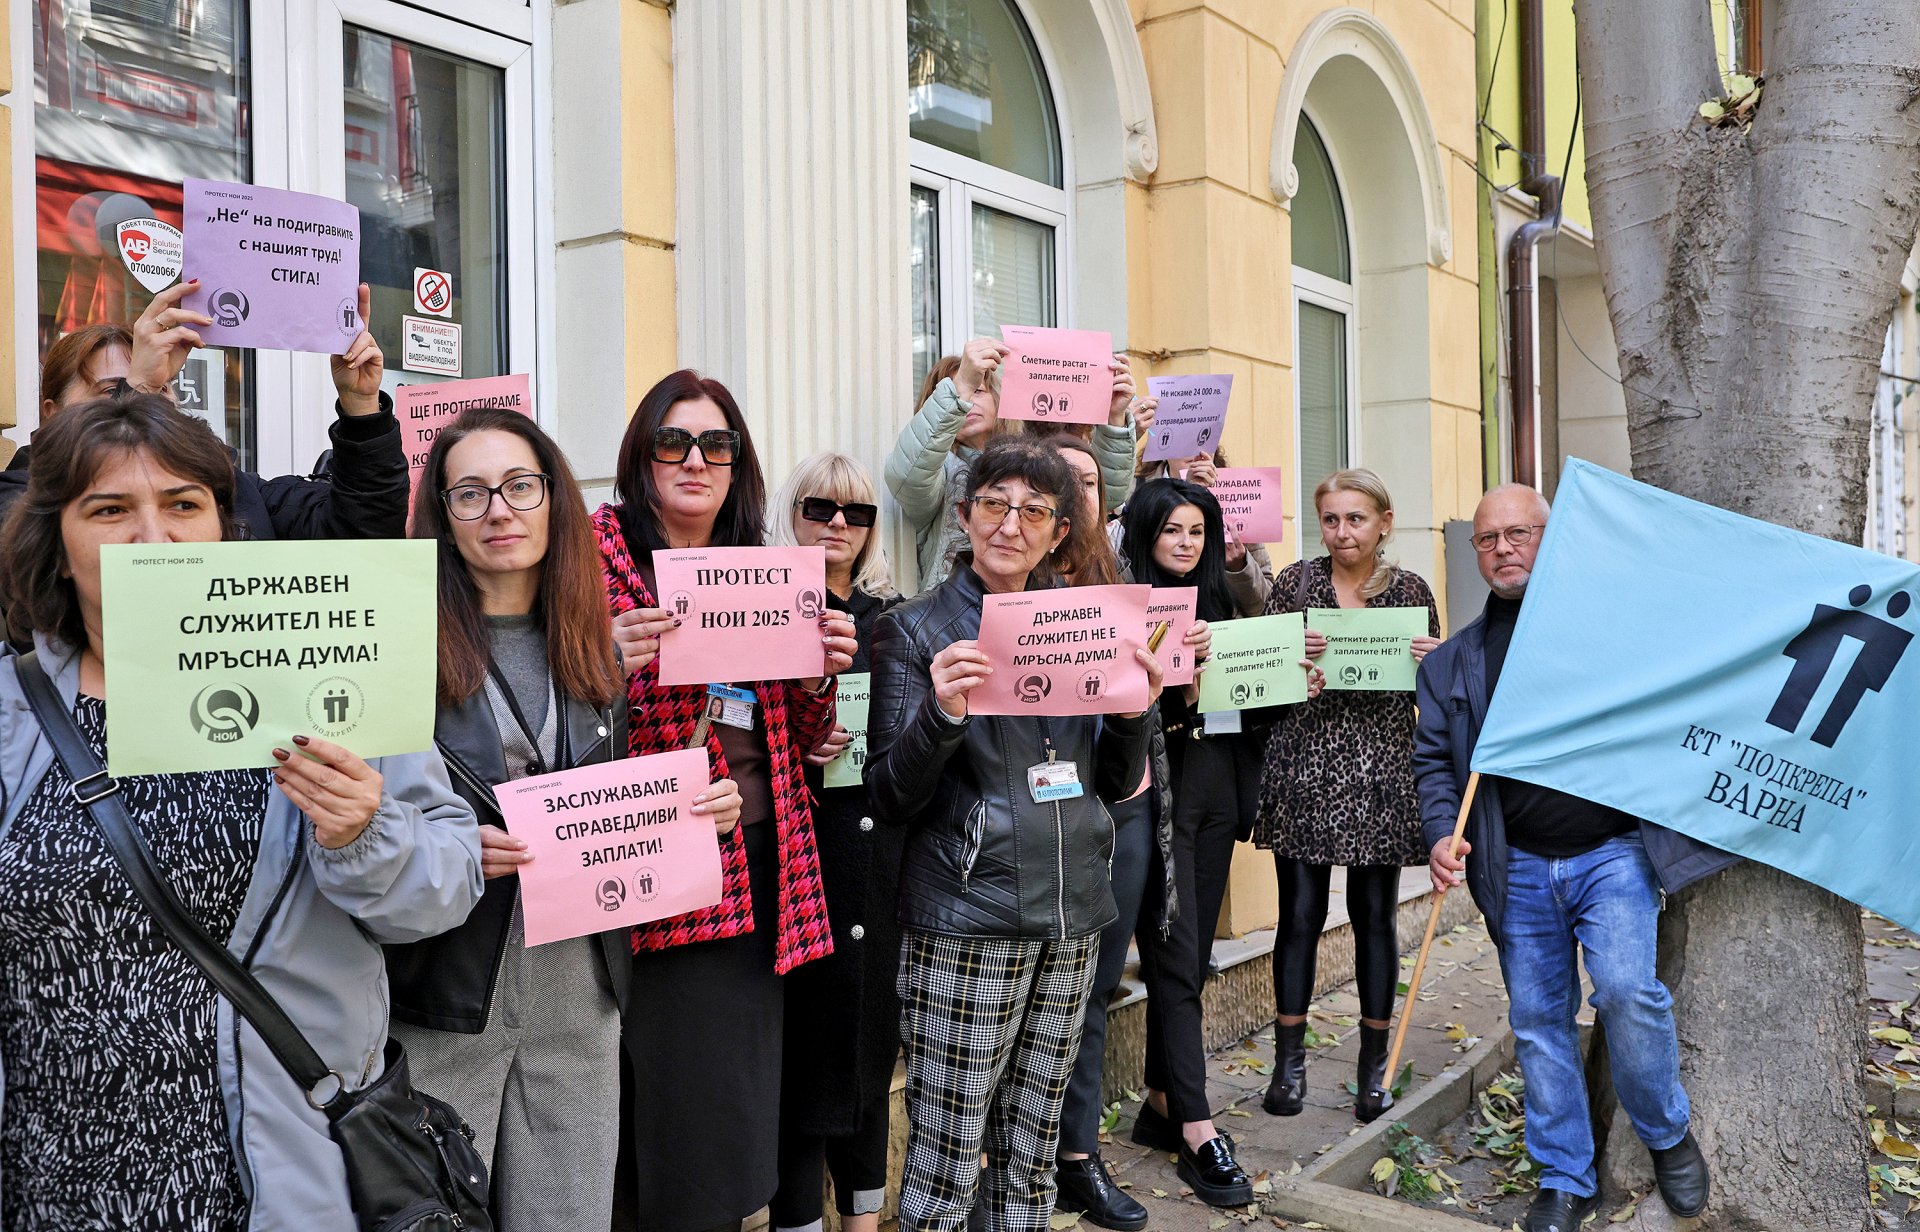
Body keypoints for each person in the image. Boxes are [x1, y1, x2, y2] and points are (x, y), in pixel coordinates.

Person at [0, 394, 483, 1230]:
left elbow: (445, 888)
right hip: (54, 1179)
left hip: (273, 1175)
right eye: (109, 510)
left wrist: (366, 833)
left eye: (182, 505)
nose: (153, 538)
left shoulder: (326, 677)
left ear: (225, 528)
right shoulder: (13, 709)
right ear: (59, 542)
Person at [386, 406, 737, 1228]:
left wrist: (695, 816)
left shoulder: (591, 652)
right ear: (442, 515)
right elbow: (368, 823)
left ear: (553, 501)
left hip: (580, 994)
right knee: (435, 1217)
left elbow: (611, 812)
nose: (498, 510)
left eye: (519, 486)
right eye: (469, 493)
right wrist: (442, 848)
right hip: (449, 991)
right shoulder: (399, 650)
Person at [1414, 484, 1726, 1232]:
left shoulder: (1607, 631)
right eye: (1487, 539)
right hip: (1515, 865)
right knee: (1537, 1021)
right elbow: (1433, 767)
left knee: (1625, 992)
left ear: (1552, 537)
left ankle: (1666, 1135)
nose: (1503, 549)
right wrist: (1439, 834)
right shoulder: (1451, 664)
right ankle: (1564, 1177)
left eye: (1519, 533)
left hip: (1613, 853)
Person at [866, 436, 1160, 1232]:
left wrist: (1133, 713)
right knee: (947, 1164)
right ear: (964, 515)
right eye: (995, 504)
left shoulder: (1084, 623)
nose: (1011, 524)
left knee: (1031, 1162)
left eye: (1035, 511)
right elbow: (890, 795)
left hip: (1070, 917)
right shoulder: (913, 631)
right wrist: (942, 714)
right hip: (969, 920)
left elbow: (1109, 783)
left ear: (1060, 532)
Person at [595, 369, 857, 1232]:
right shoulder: (594, 559)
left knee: (733, 1105)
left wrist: (820, 677)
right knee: (675, 1114)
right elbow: (559, 711)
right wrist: (606, 661)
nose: (695, 460)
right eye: (674, 441)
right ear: (641, 455)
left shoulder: (762, 568)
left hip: (763, 864)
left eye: (717, 444)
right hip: (653, 871)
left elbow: (799, 733)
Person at [1119, 477, 1321, 1207]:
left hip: (1215, 800)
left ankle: (1160, 1101)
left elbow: (1247, 715)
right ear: (1145, 534)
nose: (1185, 542)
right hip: (1156, 802)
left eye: (1196, 531)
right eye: (1171, 529)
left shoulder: (1223, 608)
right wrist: (1178, 690)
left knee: (1192, 956)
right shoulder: (1123, 610)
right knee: (1176, 961)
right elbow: (1117, 720)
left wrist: (1292, 685)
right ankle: (1198, 1130)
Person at [1252, 468, 1439, 1123]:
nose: (1342, 532)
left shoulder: (1411, 592)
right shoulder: (1293, 586)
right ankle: (1289, 1064)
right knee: (1299, 915)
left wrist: (1433, 662)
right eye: (1331, 519)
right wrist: (1288, 663)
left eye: (1356, 519)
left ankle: (1372, 1067)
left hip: (1381, 771)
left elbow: (1430, 695)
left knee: (1374, 916)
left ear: (1384, 523)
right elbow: (1258, 685)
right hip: (1305, 767)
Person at [765, 451, 904, 1232]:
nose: (838, 525)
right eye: (819, 508)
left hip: (876, 857)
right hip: (794, 856)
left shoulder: (893, 621)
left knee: (868, 1044)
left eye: (857, 512)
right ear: (791, 514)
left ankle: (863, 1216)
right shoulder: (761, 613)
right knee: (804, 1053)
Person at [1, 280, 407, 539]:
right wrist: (140, 389)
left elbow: (363, 531)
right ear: (52, 412)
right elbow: (31, 573)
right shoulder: (21, 493)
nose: (149, 404)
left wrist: (361, 408)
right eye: (113, 391)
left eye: (163, 388)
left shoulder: (238, 489)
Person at [887, 339, 1138, 590]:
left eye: (978, 390)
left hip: (1029, 602)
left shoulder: (1032, 462)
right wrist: (961, 385)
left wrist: (1114, 418)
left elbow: (1102, 498)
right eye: (962, 392)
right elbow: (907, 474)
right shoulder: (938, 472)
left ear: (998, 397)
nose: (969, 401)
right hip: (957, 609)